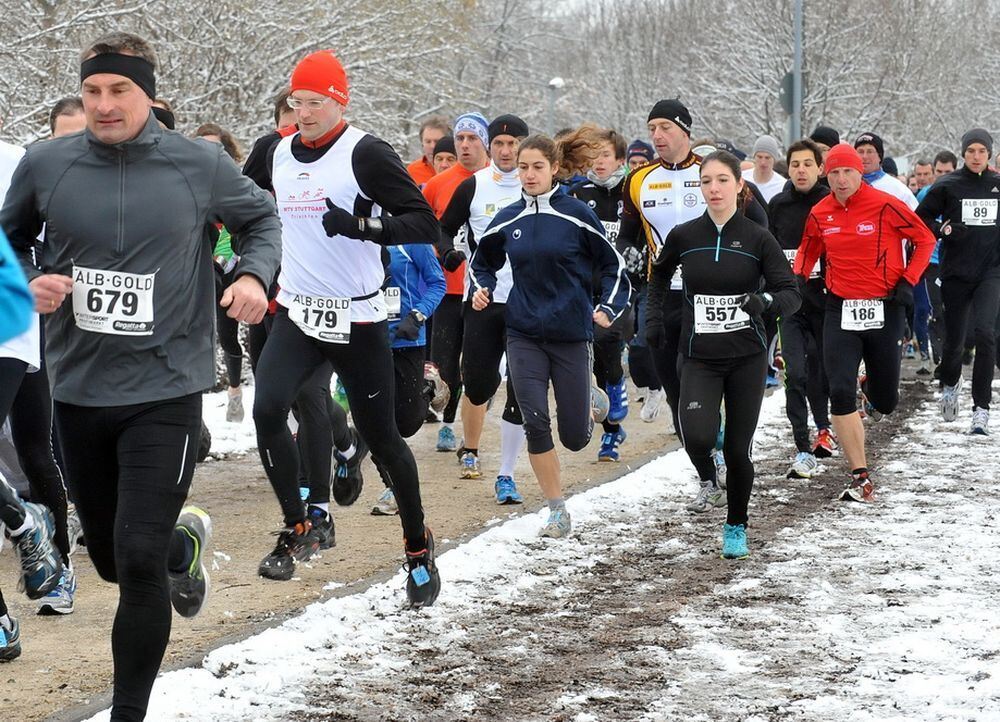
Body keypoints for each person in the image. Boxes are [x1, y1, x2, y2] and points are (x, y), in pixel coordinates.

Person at [1, 32, 281, 719]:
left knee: (136, 550)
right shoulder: (46, 164)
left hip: (168, 387)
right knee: (108, 559)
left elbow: (261, 222)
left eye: (118, 90)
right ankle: (183, 546)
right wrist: (27, 280)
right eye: (92, 90)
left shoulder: (200, 164)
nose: (103, 104)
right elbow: (5, 238)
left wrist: (252, 274)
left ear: (148, 93)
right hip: (78, 387)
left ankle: (129, 711)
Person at [248, 49, 441, 607]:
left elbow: (423, 222)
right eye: (295, 102)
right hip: (298, 310)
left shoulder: (366, 152)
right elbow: (236, 202)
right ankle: (302, 522)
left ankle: (416, 544)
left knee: (382, 438)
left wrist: (361, 224)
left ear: (338, 101)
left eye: (313, 103)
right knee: (267, 409)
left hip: (357, 317)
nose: (302, 113)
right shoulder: (277, 152)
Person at [471, 131, 631, 538]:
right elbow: (480, 260)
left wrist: (608, 307)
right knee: (535, 421)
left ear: (554, 168)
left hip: (571, 334)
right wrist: (482, 287)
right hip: (523, 332)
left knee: (574, 437)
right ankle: (556, 509)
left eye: (536, 167)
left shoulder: (576, 214)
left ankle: (592, 395)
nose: (528, 174)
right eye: (522, 168)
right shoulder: (509, 218)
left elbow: (614, 267)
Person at [648, 150, 800, 558]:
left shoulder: (757, 238)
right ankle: (708, 463)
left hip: (746, 357)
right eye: (706, 181)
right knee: (696, 436)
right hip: (699, 354)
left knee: (737, 450)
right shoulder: (684, 235)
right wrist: (654, 321)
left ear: (739, 186)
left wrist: (765, 300)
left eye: (721, 180)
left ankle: (736, 525)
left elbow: (791, 294)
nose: (713, 188)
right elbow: (658, 276)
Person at [794, 144, 934, 502]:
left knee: (886, 402)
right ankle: (860, 474)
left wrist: (908, 281)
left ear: (860, 172)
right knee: (839, 389)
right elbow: (808, 252)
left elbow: (924, 239)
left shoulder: (885, 204)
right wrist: (797, 282)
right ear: (828, 175)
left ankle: (872, 387)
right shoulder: (821, 211)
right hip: (840, 309)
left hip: (884, 308)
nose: (841, 180)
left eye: (848, 172)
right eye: (835, 173)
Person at [435, 113, 529, 497]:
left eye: (514, 144)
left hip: (527, 302)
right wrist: (450, 255)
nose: (507, 151)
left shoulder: (537, 183)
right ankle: (470, 446)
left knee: (523, 383)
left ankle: (506, 470)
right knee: (477, 383)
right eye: (501, 144)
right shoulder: (473, 186)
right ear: (492, 146)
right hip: (483, 298)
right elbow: (441, 228)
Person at [619, 99, 708, 433]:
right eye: (651, 128)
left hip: (707, 294)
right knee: (674, 385)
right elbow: (626, 236)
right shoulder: (638, 180)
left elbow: (753, 223)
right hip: (661, 293)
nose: (657, 135)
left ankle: (714, 442)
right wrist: (629, 254)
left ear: (685, 130)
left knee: (699, 381)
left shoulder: (709, 171)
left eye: (665, 127)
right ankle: (702, 463)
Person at [917, 129, 1000, 433]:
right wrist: (944, 230)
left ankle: (981, 408)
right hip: (955, 273)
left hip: (991, 272)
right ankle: (950, 382)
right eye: (971, 151)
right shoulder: (949, 186)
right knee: (955, 342)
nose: (976, 156)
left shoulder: (997, 185)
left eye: (982, 151)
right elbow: (920, 218)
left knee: (985, 333)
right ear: (963, 154)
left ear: (989, 153)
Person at [767, 139, 836, 478]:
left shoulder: (829, 201)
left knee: (821, 370)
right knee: (795, 372)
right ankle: (802, 445)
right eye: (795, 164)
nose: (801, 170)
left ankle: (825, 428)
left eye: (808, 164)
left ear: (819, 168)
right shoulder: (778, 205)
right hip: (791, 304)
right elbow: (768, 249)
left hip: (825, 301)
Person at [423, 112, 490, 452]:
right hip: (447, 287)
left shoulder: (498, 180)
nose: (465, 145)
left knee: (478, 364)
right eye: (460, 138)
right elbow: (427, 228)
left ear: (485, 143)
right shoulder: (438, 184)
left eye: (472, 139)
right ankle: (447, 424)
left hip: (484, 290)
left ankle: (471, 425)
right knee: (444, 362)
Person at [570, 127, 639, 462]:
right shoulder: (579, 194)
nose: (599, 163)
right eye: (594, 156)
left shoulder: (632, 191)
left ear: (620, 160)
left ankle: (615, 394)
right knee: (592, 353)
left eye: (606, 156)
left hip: (623, 284)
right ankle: (611, 430)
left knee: (608, 339)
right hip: (586, 283)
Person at [195, 123, 248, 422]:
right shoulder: (186, 183)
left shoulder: (236, 183)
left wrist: (221, 261)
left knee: (227, 336)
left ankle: (235, 390)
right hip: (199, 269)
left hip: (228, 268)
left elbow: (234, 230)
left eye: (216, 147)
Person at [854, 132, 918, 209]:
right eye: (860, 152)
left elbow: (916, 217)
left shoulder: (898, 189)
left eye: (870, 152)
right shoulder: (846, 186)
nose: (864, 156)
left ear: (880, 157)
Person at [407, 115, 450, 188]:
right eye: (428, 141)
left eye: (437, 141)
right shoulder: (412, 171)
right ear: (422, 143)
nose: (432, 146)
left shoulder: (459, 169)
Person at [743, 134, 787, 203]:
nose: (763, 162)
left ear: (774, 160)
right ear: (754, 157)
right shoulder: (742, 178)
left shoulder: (782, 185)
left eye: (767, 158)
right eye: (759, 157)